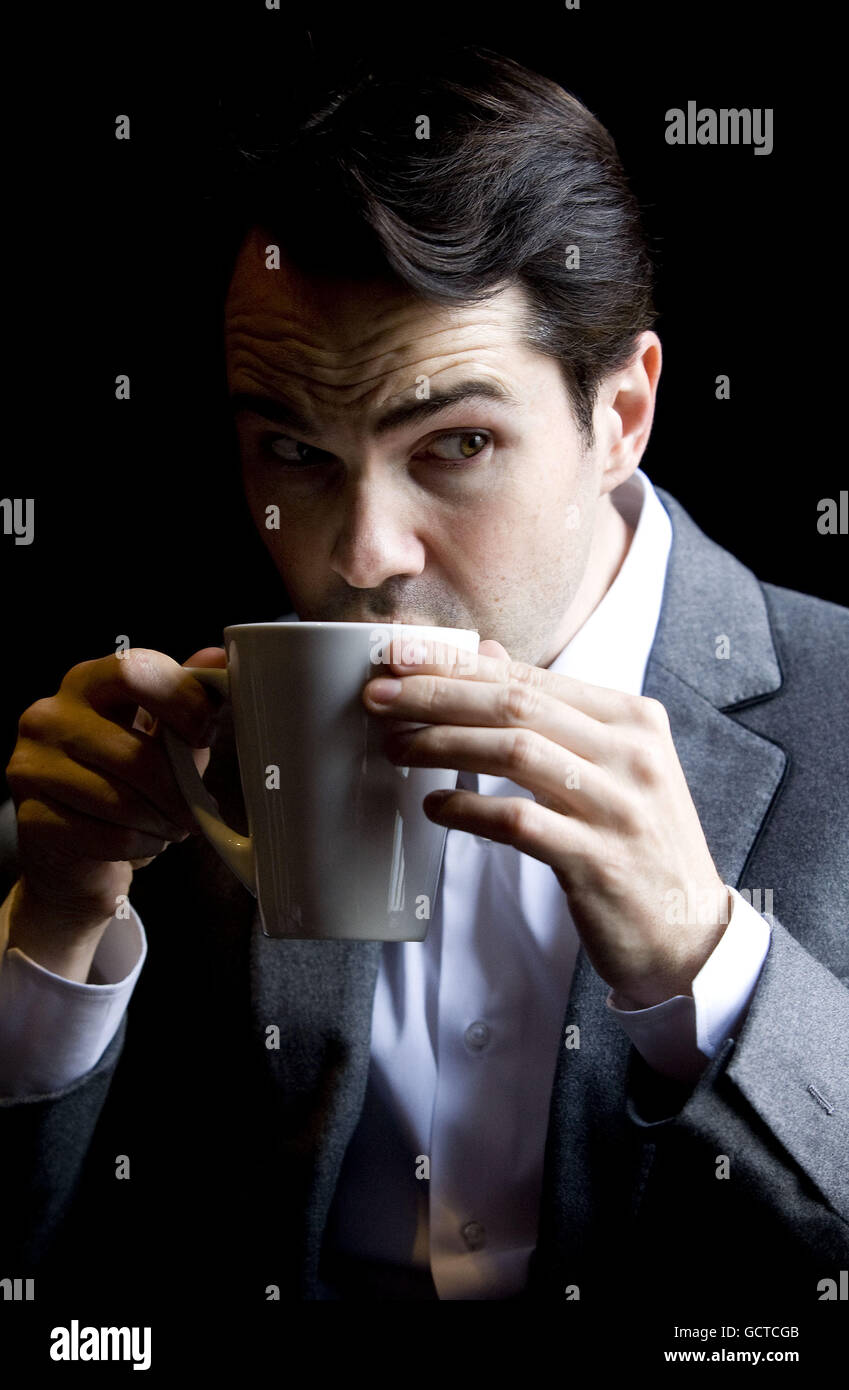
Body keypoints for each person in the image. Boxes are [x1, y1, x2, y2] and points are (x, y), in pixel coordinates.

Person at [1, 46, 846, 1323]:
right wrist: (50, 936)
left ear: (622, 411)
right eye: (294, 449)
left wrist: (710, 962)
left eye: (454, 443)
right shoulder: (166, 745)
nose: (356, 557)